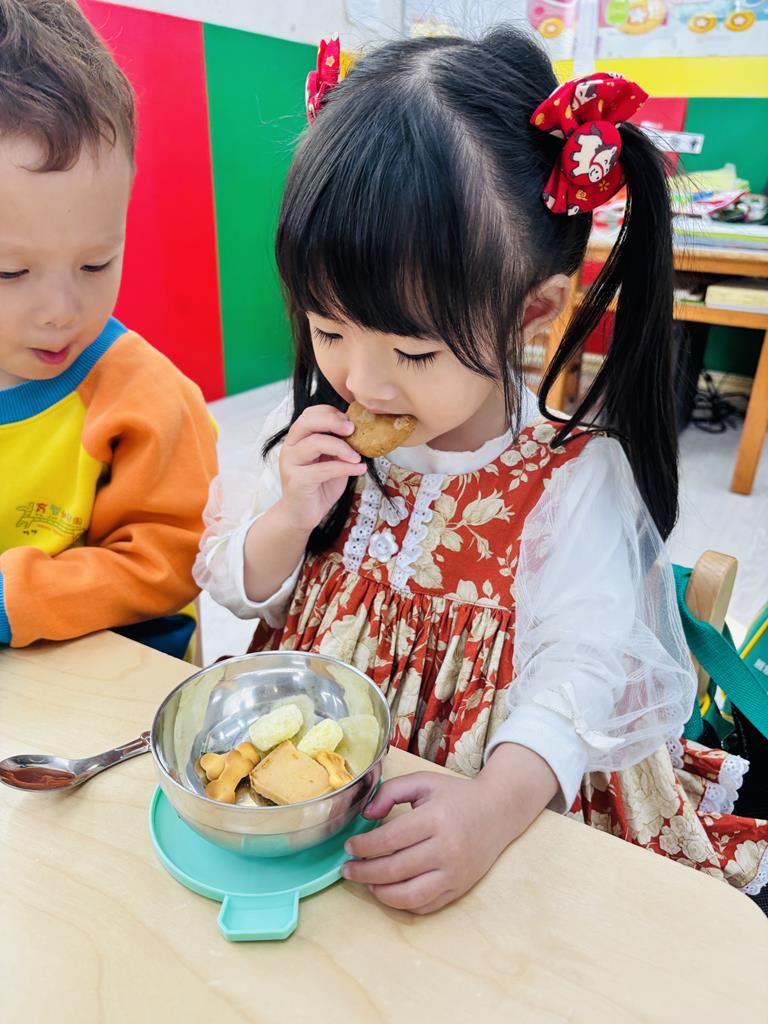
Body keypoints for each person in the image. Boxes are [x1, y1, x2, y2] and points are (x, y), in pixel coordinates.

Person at [196, 30, 767, 911]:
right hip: (316, 789)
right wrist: (286, 520)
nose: (361, 381)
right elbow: (236, 593)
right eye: (328, 328)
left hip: (495, 806)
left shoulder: (573, 480)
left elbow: (582, 674)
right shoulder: (309, 427)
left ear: (533, 309)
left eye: (414, 351)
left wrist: (493, 810)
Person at [0, 0, 217, 655]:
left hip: (117, 693)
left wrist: (15, 600)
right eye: (10, 272)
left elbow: (168, 564)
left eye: (96, 263)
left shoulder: (148, 400)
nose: (60, 310)